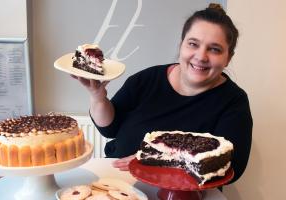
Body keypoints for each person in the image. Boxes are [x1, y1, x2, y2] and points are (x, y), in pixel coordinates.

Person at [72, 3, 252, 184]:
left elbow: (233, 167)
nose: (201, 56)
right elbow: (109, 128)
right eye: (193, 44)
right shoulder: (147, 79)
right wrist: (97, 96)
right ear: (181, 45)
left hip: (183, 195)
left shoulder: (233, 101)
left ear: (228, 58)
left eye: (214, 49)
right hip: (117, 183)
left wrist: (153, 159)